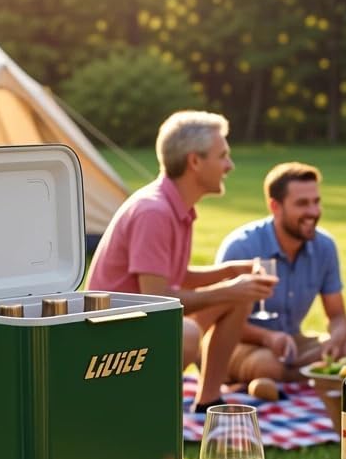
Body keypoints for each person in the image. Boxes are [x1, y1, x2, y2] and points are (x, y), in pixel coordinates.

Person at [86, 110, 275, 412]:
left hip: (138, 324)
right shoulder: (154, 212)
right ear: (195, 161)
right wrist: (230, 288)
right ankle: (141, 411)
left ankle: (209, 400)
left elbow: (175, 275)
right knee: (187, 333)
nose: (230, 165)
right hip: (110, 339)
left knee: (239, 296)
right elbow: (157, 299)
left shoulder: (176, 207)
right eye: (223, 155)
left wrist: (230, 273)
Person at [215, 162, 346, 383]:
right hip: (240, 344)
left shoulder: (325, 246)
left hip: (291, 343)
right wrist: (267, 337)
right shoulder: (242, 247)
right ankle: (291, 378)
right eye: (302, 204)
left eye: (316, 202)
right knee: (266, 365)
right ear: (275, 206)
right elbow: (218, 321)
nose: (313, 212)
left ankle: (279, 381)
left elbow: (337, 315)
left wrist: (334, 340)